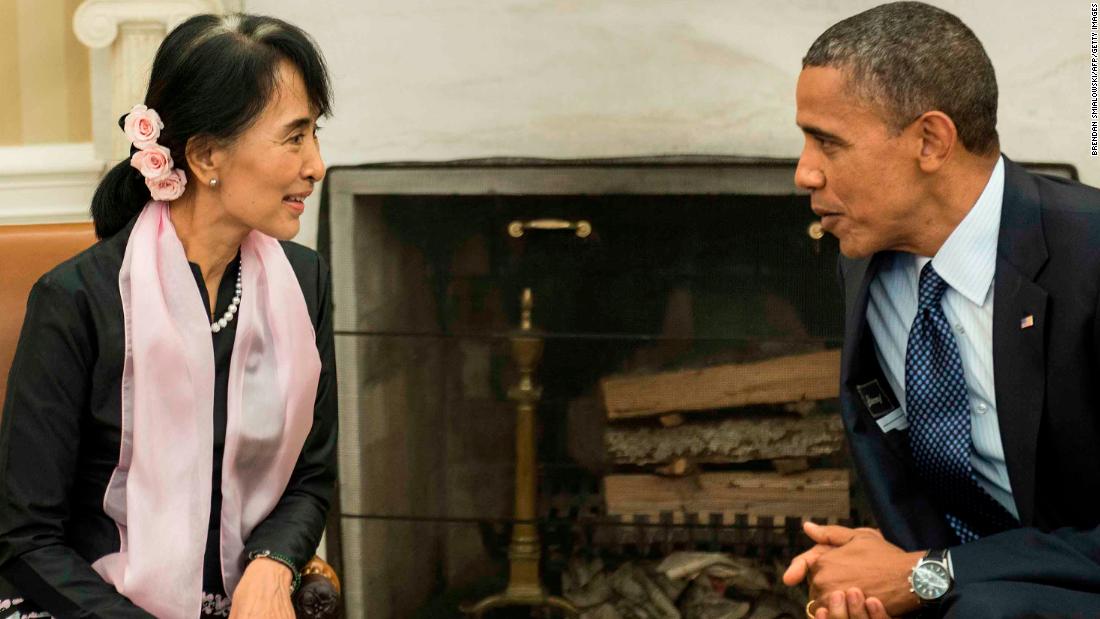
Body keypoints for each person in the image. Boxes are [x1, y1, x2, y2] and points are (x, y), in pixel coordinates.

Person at [0, 13, 337, 619]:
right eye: (294, 137)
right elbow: (25, 538)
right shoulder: (77, 300)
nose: (315, 164)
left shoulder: (303, 282)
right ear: (206, 154)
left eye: (314, 133)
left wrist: (272, 561)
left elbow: (310, 477)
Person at [780, 2, 1100, 618]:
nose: (803, 172)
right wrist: (876, 576)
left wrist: (926, 576)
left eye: (827, 142)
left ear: (930, 141)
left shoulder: (1089, 260)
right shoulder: (864, 255)